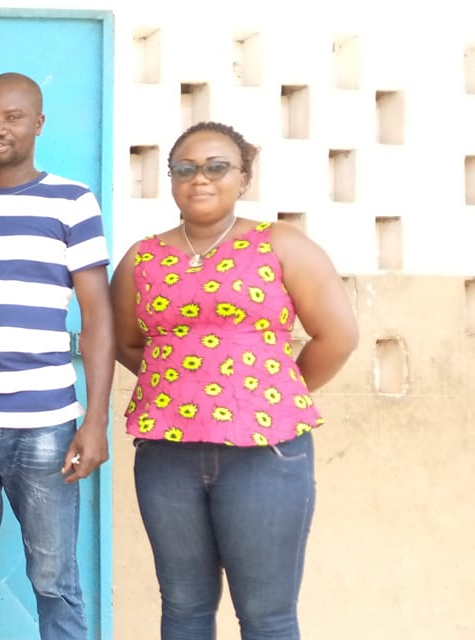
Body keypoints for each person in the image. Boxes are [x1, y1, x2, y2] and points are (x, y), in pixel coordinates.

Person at [111, 121, 357, 639]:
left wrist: (272, 394)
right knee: (183, 608)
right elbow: (128, 343)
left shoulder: (281, 244)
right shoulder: (142, 257)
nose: (200, 178)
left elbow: (337, 336)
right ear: (171, 179)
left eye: (217, 167)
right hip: (167, 456)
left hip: (266, 454)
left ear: (244, 177)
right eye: (185, 168)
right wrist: (183, 389)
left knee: (266, 614)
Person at [0, 72, 114, 640]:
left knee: (54, 579)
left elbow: (98, 317)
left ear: (39, 123)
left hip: (44, 425)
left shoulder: (73, 202)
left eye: (12, 117)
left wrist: (95, 421)